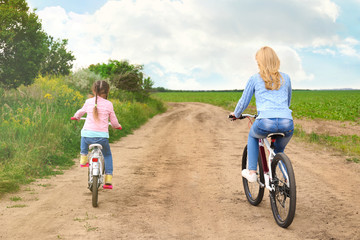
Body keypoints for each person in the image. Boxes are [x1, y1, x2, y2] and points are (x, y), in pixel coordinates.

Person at [231, 46, 294, 183]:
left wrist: (236, 114)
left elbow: (243, 102)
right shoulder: (286, 78)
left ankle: (252, 171)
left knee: (253, 136)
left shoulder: (255, 79)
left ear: (260, 62)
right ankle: (288, 180)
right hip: (287, 121)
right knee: (279, 151)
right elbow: (287, 101)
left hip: (265, 121)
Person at [73, 80, 122, 186]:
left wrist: (76, 117)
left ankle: (83, 158)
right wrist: (117, 126)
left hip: (87, 137)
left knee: (84, 136)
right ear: (107, 91)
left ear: (93, 90)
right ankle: (108, 178)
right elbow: (113, 121)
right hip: (102, 138)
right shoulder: (109, 104)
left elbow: (80, 112)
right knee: (107, 155)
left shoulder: (88, 102)